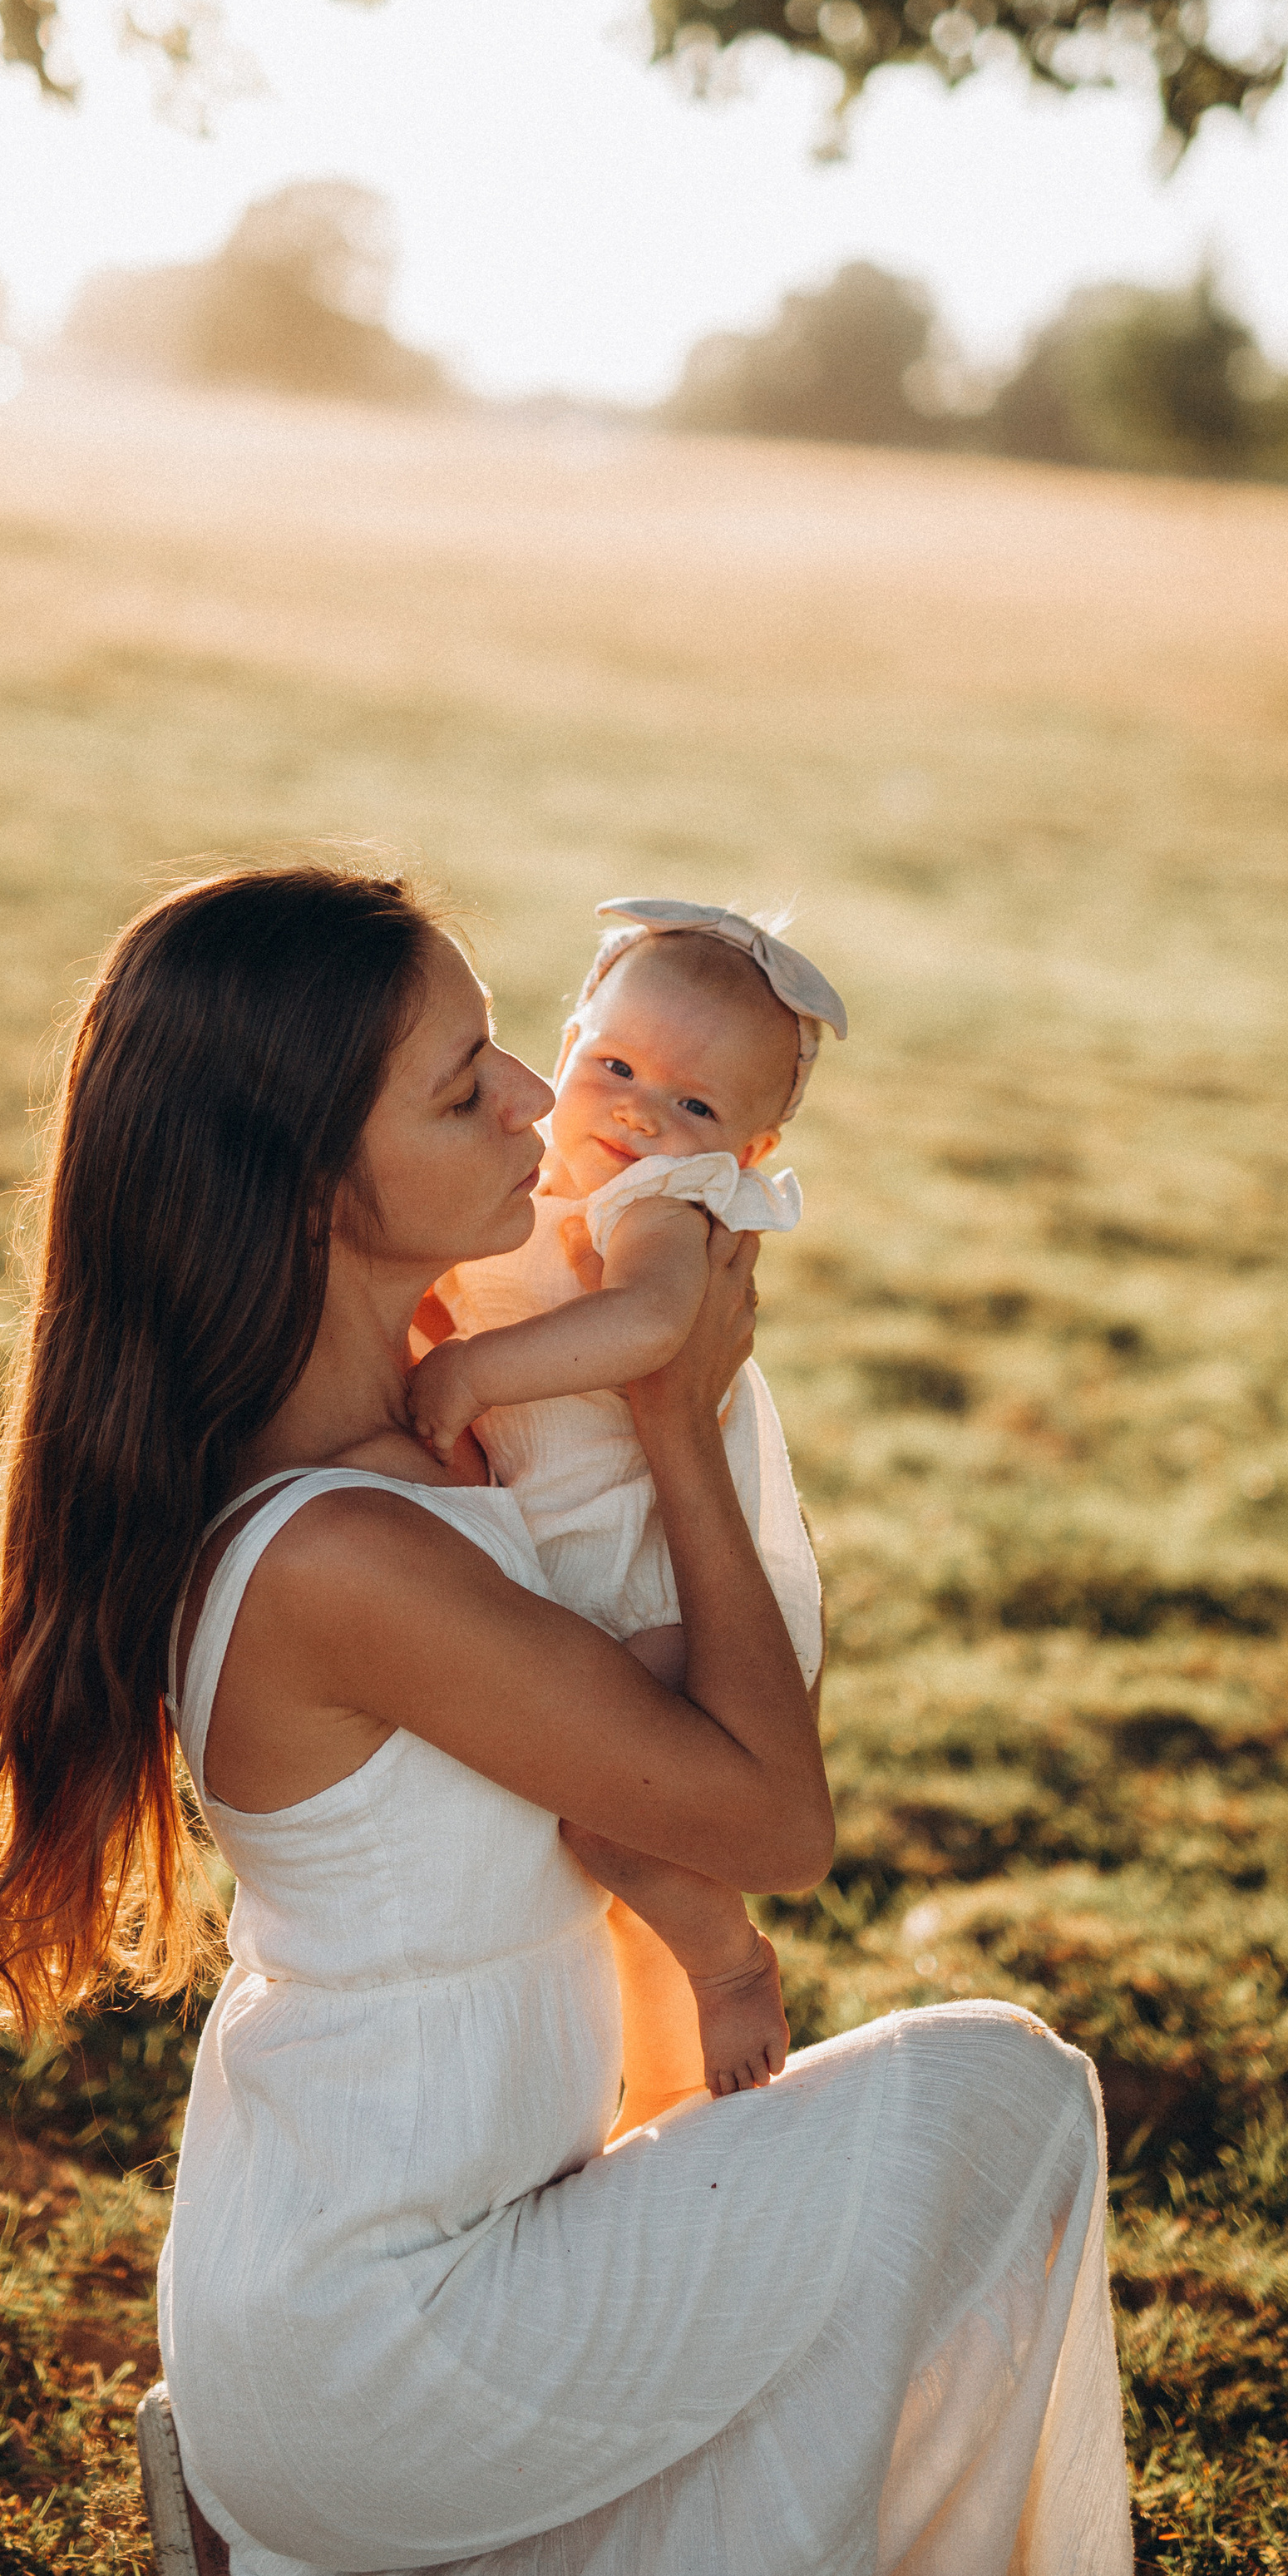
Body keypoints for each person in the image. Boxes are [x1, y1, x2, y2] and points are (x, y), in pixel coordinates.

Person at [0, 866, 1141, 2576]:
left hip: (391, 2278)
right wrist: (678, 1420)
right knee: (992, 2099)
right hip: (381, 2337)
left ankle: (349, 2574)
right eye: (453, 1081)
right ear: (314, 1180)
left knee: (764, 2181)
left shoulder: (389, 1442)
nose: (528, 1097)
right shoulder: (341, 1550)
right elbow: (771, 1819)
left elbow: (669, 1758)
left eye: (501, 1039)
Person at [408, 896, 846, 2125]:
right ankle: (658, 2099)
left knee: (613, 1827)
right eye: (614, 1067)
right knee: (598, 1879)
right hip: (584, 1573)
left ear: (746, 1152)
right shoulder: (538, 1183)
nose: (644, 1113)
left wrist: (476, 1373)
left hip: (660, 1583)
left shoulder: (661, 1201)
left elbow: (656, 1326)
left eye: (697, 1107)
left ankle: (730, 1961)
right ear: (566, 1042)